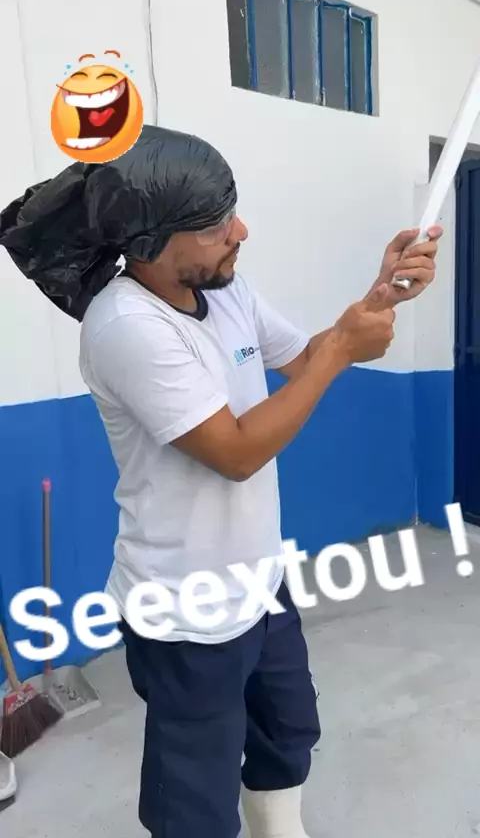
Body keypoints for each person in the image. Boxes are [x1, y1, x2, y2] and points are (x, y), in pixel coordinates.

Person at [0, 125, 442, 838]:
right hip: (183, 611)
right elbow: (234, 452)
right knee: (195, 799)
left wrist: (379, 296)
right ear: (149, 243)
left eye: (231, 212)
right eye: (213, 226)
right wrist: (344, 347)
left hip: (257, 581)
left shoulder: (226, 289)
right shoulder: (125, 326)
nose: (240, 232)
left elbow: (304, 360)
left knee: (286, 730)